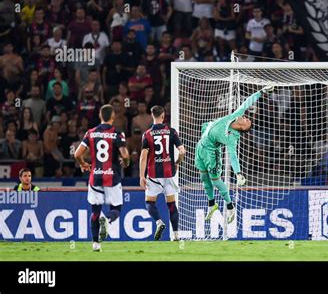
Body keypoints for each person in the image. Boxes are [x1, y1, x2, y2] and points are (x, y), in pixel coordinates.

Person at [195, 85, 274, 224]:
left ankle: (230, 207)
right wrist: (261, 92)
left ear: (243, 127)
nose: (245, 117)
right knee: (203, 177)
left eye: (246, 121)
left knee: (215, 180)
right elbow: (248, 102)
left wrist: (238, 174)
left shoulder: (232, 138)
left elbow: (233, 156)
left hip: (211, 153)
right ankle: (211, 204)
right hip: (200, 146)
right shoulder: (235, 115)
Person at [74, 104, 130, 252]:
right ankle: (108, 219)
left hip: (95, 176)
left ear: (100, 116)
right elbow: (125, 155)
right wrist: (125, 163)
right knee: (116, 208)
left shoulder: (90, 133)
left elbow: (77, 154)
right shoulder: (118, 134)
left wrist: (83, 164)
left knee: (95, 211)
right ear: (113, 117)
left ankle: (95, 244)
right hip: (112, 177)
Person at [139, 105, 185, 241]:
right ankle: (176, 235)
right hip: (169, 174)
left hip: (153, 175)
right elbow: (182, 151)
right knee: (171, 204)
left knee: (149, 202)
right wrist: (177, 162)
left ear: (152, 115)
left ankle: (159, 222)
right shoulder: (171, 132)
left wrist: (142, 176)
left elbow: (143, 156)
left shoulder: (147, 134)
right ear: (163, 115)